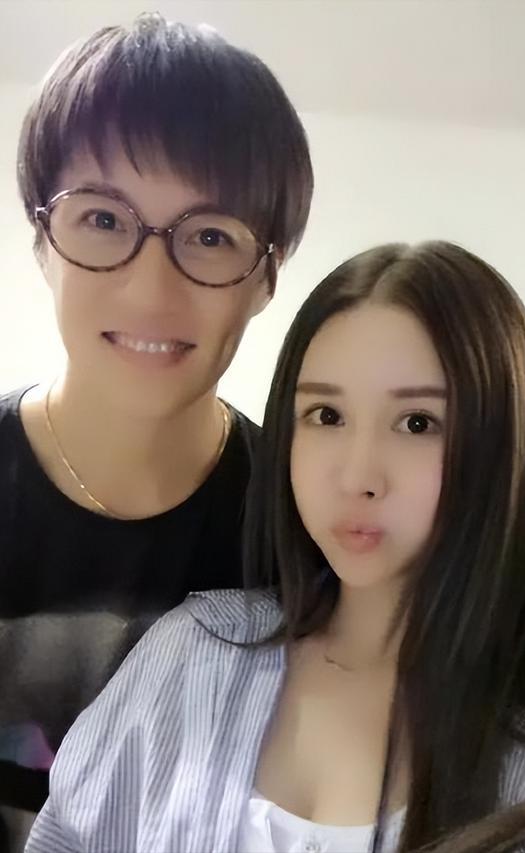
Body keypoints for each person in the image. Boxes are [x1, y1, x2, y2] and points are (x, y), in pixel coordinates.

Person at [26, 242, 525, 853]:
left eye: (418, 423)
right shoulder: (194, 653)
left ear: (505, 445)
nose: (357, 477)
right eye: (326, 415)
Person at [0, 11, 312, 848]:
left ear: (266, 277)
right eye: (103, 219)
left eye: (210, 236)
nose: (150, 290)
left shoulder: (307, 532)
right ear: (42, 240)